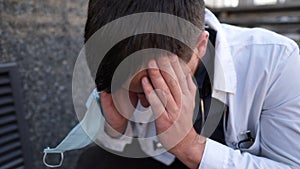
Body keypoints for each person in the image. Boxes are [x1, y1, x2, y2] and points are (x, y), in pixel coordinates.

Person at [76, 0, 300, 169]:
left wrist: (191, 147)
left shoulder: (276, 62)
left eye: (155, 84)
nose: (147, 101)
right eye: (134, 90)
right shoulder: (120, 58)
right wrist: (118, 132)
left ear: (201, 45)